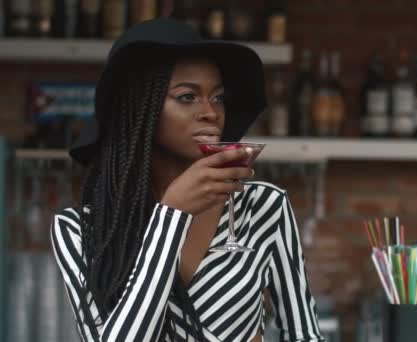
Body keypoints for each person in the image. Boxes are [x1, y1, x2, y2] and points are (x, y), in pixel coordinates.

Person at [51, 18, 324, 342]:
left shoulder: (264, 207)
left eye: (218, 97)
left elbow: (305, 333)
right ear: (141, 109)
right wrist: (171, 215)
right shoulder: (80, 230)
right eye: (186, 97)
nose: (211, 112)